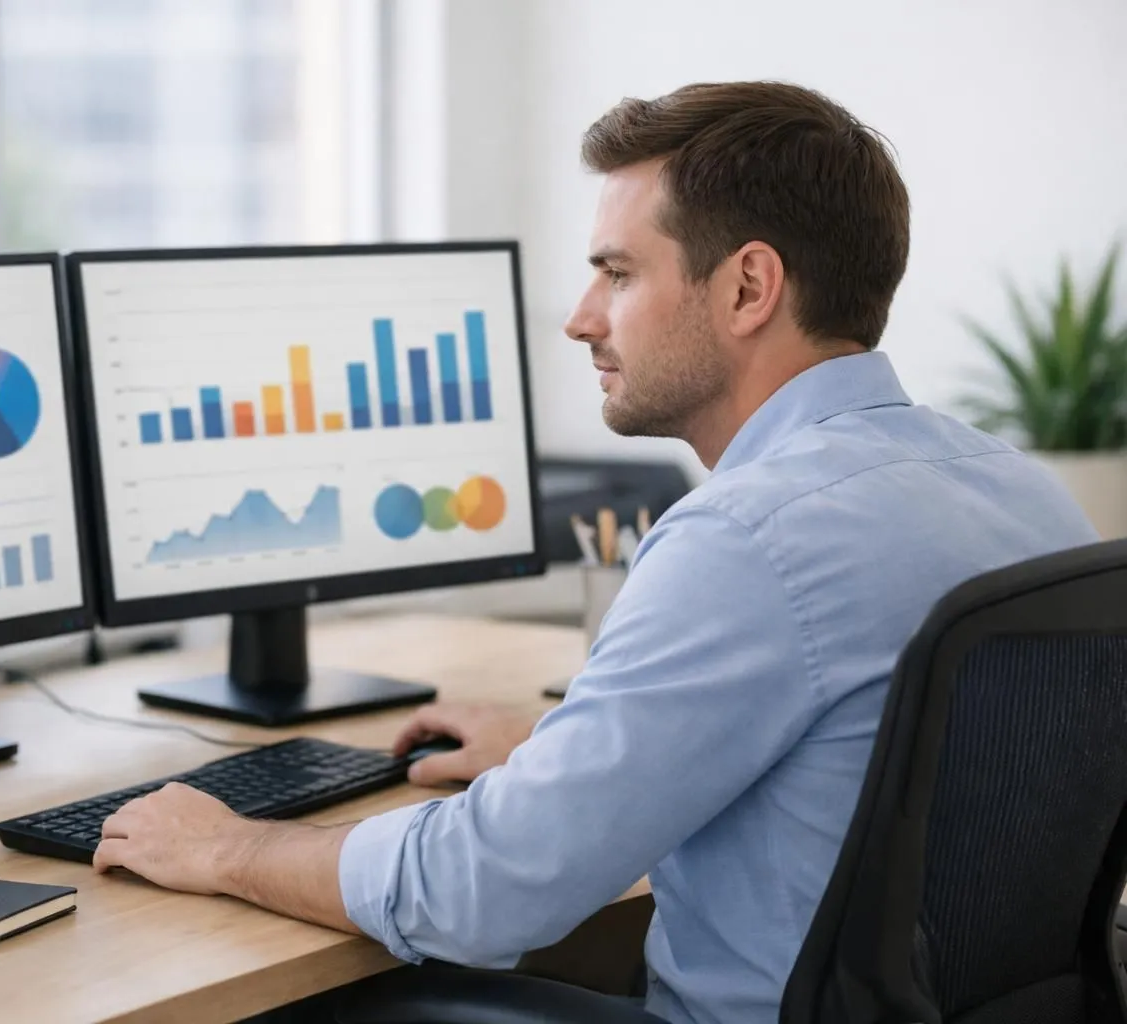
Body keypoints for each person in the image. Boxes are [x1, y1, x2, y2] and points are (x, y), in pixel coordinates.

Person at [90, 81, 1098, 1024]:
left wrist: (229, 843)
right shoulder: (1021, 491)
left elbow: (475, 898)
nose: (580, 318)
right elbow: (858, 775)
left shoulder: (747, 540)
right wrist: (558, 756)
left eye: (617, 272)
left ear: (749, 285)